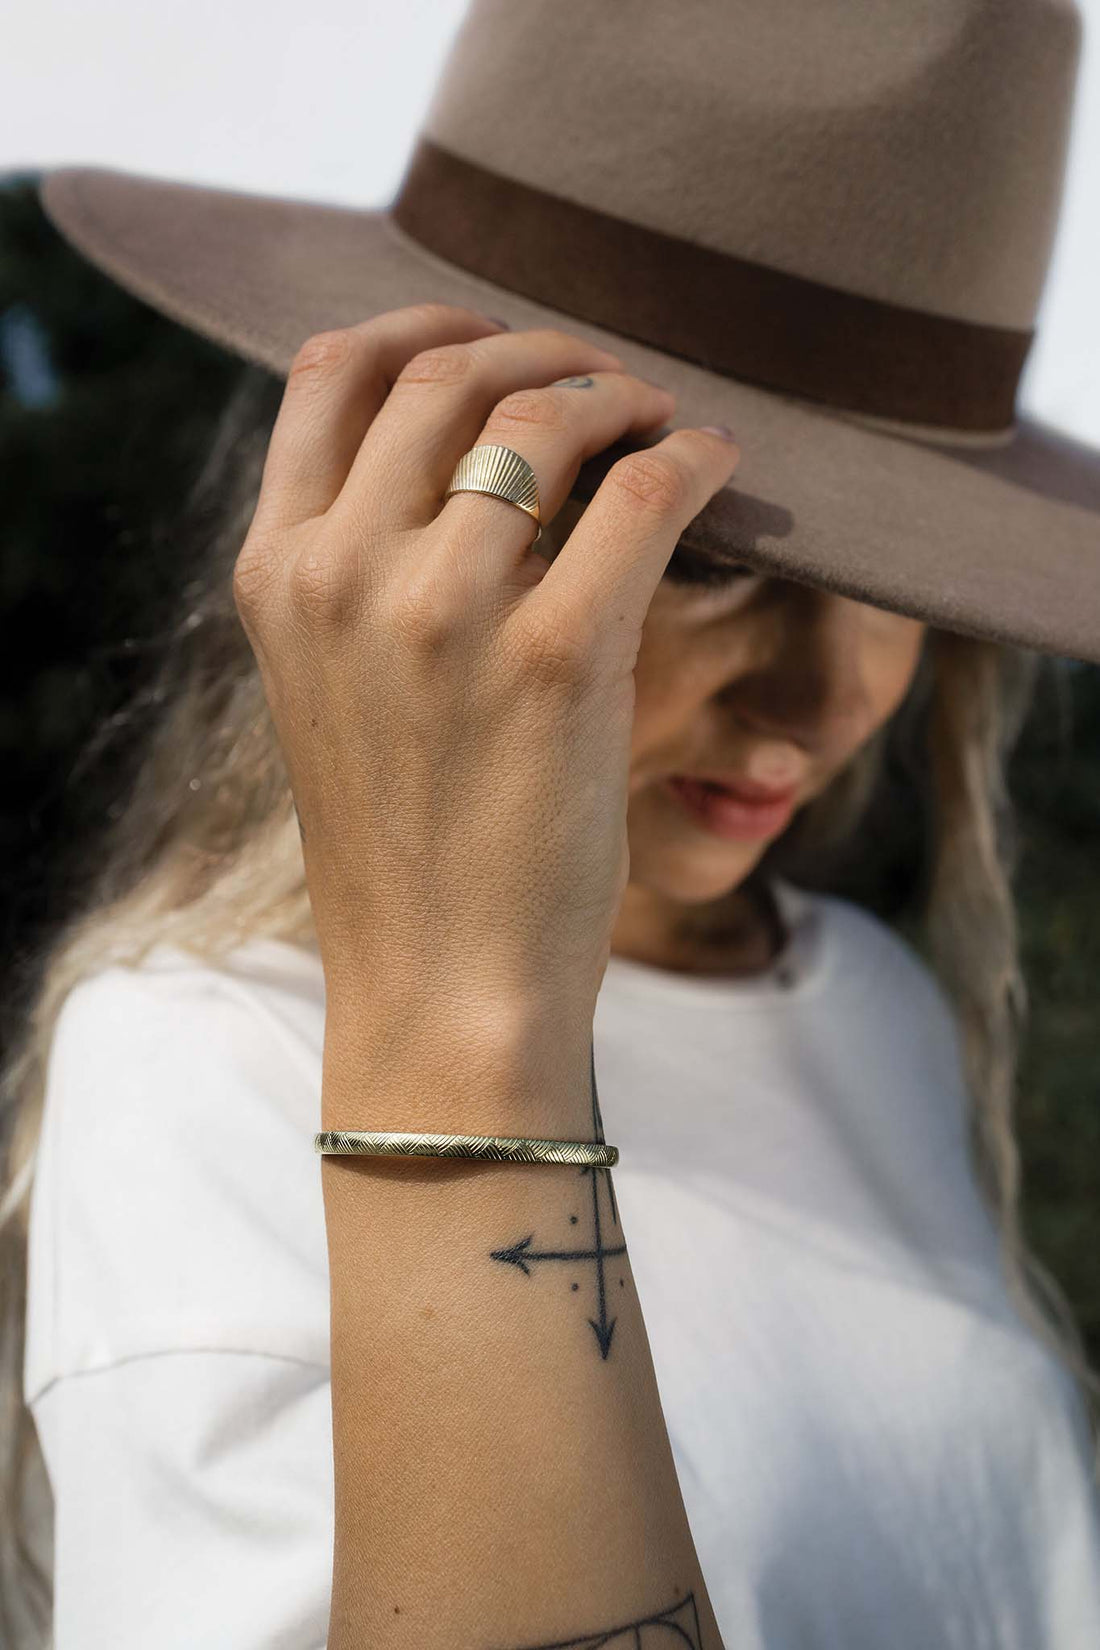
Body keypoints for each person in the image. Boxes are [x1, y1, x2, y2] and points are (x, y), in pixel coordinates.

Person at [4, 0, 1100, 1645]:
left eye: (895, 581)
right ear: (408, 506)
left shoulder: (865, 999)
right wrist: (461, 1040)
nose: (820, 700)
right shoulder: (208, 1062)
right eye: (716, 560)